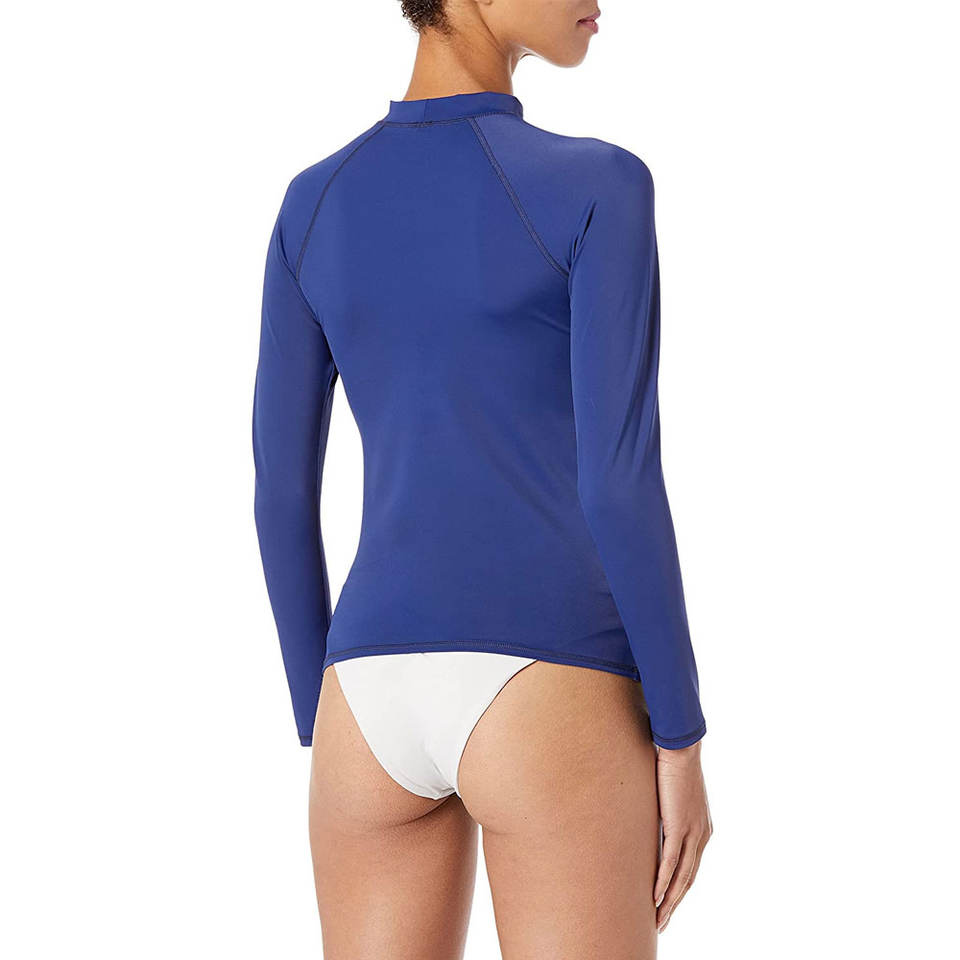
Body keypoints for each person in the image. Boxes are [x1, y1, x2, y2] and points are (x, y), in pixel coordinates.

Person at [253, 1, 712, 956]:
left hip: (364, 696)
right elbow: (618, 483)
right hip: (549, 680)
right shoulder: (600, 186)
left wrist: (318, 719)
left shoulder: (313, 203)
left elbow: (281, 493)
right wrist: (680, 734)